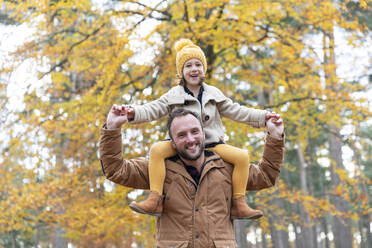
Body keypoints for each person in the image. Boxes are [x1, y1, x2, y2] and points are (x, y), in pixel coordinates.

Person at [121, 38, 280, 219]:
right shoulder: (174, 94)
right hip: (180, 145)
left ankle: (239, 203)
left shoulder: (213, 93)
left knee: (242, 156)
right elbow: (152, 108)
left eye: (198, 64)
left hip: (211, 144)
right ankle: (155, 199)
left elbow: (237, 111)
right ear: (181, 72)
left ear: (204, 69)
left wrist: (263, 117)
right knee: (157, 149)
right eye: (188, 66)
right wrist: (132, 112)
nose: (194, 69)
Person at [100, 107, 284, 247]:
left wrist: (275, 136)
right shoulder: (158, 169)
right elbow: (116, 170)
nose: (190, 139)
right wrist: (112, 128)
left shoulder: (228, 168)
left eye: (195, 132)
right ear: (172, 142)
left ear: (204, 134)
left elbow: (266, 176)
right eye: (181, 135)